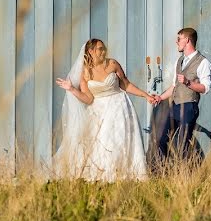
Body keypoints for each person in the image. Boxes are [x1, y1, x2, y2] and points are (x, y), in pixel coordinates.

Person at [53, 39, 159, 181]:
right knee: (102, 142)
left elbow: (126, 85)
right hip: (98, 111)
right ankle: (104, 176)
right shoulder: (85, 72)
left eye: (104, 48)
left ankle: (122, 174)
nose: (103, 51)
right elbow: (88, 98)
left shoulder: (112, 64)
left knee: (119, 140)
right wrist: (72, 89)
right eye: (99, 49)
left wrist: (146, 96)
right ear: (90, 51)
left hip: (119, 106)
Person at [154, 27, 211, 166]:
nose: (176, 42)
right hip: (174, 106)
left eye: (179, 39)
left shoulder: (203, 62)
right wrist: (160, 98)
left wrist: (188, 82)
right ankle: (164, 172)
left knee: (182, 144)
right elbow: (174, 86)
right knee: (161, 138)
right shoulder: (179, 61)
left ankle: (185, 176)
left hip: (189, 106)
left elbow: (205, 88)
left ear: (187, 40)